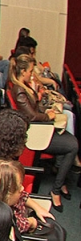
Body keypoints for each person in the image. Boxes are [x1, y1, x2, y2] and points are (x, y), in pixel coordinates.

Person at [9, 53, 79, 211]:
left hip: (39, 127)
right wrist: (48, 116)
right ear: (23, 71)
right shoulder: (19, 90)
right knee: (73, 146)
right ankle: (56, 190)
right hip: (34, 133)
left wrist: (46, 109)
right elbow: (31, 116)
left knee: (72, 143)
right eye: (30, 71)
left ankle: (60, 182)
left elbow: (34, 109)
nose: (32, 74)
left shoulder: (24, 86)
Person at [0, 110, 58, 234]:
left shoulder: (2, 163)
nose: (25, 141)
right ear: (13, 141)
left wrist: (37, 207)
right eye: (23, 136)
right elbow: (6, 223)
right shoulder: (4, 173)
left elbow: (19, 194)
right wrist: (31, 222)